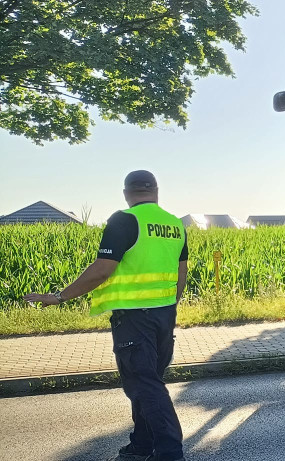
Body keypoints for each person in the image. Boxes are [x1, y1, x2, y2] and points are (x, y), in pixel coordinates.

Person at [24, 170, 187, 461]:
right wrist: (169, 305)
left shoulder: (125, 220)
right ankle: (142, 443)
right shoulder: (174, 224)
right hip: (164, 314)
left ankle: (170, 452)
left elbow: (102, 270)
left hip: (135, 319)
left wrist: (59, 297)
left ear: (126, 193)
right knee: (147, 382)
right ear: (156, 191)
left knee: (144, 384)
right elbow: (181, 271)